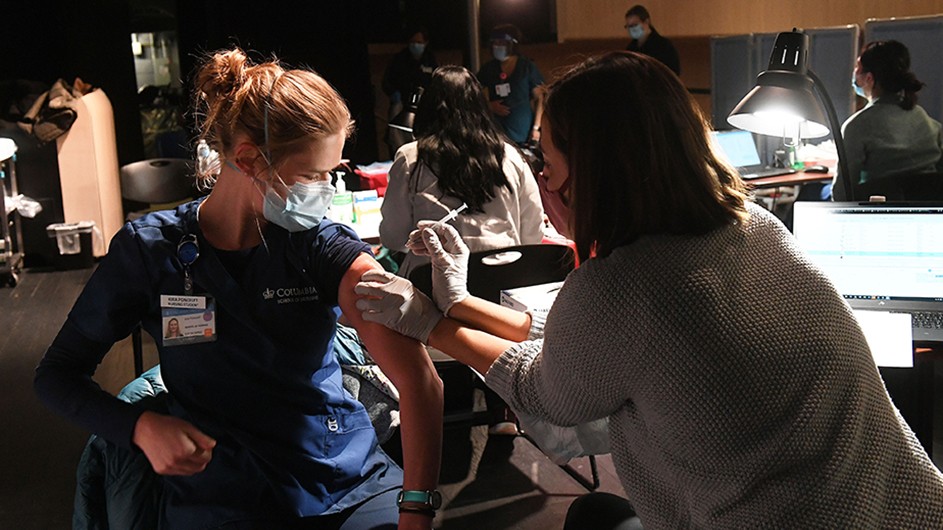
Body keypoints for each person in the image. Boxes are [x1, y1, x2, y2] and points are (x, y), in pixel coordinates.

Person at [354, 51, 943, 529]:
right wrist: (458, 302)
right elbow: (592, 347)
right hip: (908, 506)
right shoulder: (757, 228)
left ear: (596, 173)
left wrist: (431, 324)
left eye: (552, 164)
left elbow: (547, 390)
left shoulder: (618, 290)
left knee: (592, 516)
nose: (546, 180)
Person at [34, 48, 443, 530]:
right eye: (313, 175)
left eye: (333, 171)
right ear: (249, 159)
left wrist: (415, 508)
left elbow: (420, 383)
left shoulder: (320, 248)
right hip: (218, 494)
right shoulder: (152, 252)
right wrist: (140, 428)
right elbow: (56, 376)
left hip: (338, 480)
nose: (326, 189)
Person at [379, 65, 546, 278]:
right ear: (480, 106)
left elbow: (393, 238)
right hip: (502, 282)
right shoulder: (511, 156)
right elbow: (533, 233)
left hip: (432, 284)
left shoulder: (411, 157)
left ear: (427, 107)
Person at [833, 39, 943, 200]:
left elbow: (842, 194)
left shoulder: (856, 126)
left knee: (811, 193)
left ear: (869, 78)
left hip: (876, 215)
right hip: (928, 216)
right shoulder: (928, 122)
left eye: (857, 67)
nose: (854, 71)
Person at [476, 24, 546, 146]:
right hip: (497, 135)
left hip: (523, 134)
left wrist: (536, 128)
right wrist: (489, 106)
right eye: (495, 43)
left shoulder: (526, 67)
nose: (497, 46)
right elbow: (476, 97)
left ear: (512, 44)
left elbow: (540, 97)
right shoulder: (488, 69)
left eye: (501, 43)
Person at [382, 25, 438, 156]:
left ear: (426, 43)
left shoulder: (430, 60)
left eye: (419, 42)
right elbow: (387, 81)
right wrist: (394, 94)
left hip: (424, 105)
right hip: (402, 104)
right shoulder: (399, 59)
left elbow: (436, 81)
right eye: (413, 42)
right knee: (397, 133)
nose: (415, 45)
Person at [624, 5, 680, 76]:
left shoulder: (664, 45)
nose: (631, 29)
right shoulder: (630, 48)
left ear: (647, 22)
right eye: (628, 26)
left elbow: (673, 74)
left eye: (634, 25)